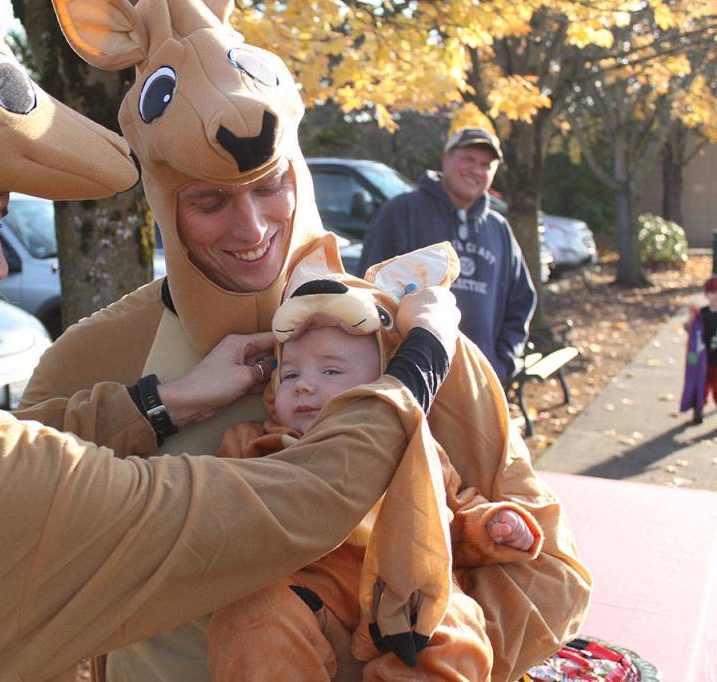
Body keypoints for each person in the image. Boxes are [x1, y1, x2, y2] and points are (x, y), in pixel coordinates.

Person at [0, 0, 464, 680]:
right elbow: (292, 501)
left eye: (269, 189)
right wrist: (417, 362)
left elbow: (7, 455)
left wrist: (161, 403)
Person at [35, 2, 590, 681]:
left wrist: (429, 644)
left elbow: (549, 568)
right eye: (208, 202)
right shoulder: (93, 357)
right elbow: (13, 547)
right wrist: (161, 405)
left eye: (271, 188)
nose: (251, 228)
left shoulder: (406, 334)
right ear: (159, 194)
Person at [205, 244, 546, 681]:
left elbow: (451, 516)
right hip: (309, 591)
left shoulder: (413, 450)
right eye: (291, 375)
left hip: (405, 594)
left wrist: (493, 525)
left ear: (381, 386)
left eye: (331, 372)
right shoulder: (251, 442)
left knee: (455, 626)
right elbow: (217, 511)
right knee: (253, 615)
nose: (306, 386)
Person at [356, 126, 537, 384]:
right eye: (468, 159)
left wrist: (503, 363)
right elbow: (368, 291)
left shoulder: (499, 229)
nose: (476, 169)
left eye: (486, 165)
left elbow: (521, 302)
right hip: (412, 380)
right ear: (446, 158)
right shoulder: (401, 212)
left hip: (479, 383)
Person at [680, 275, 717, 424]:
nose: (715, 296)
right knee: (701, 384)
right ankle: (698, 411)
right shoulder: (702, 313)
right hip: (704, 358)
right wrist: (690, 318)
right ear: (707, 294)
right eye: (712, 292)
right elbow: (689, 329)